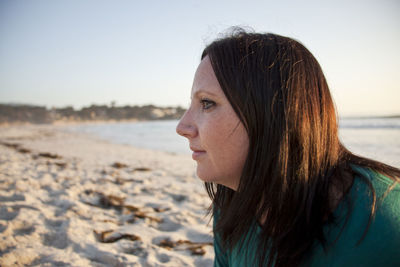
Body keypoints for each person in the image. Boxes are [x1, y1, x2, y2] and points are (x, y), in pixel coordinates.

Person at [176, 29, 400, 267]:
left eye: (207, 103)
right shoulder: (232, 206)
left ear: (274, 115)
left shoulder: (383, 223)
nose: (182, 127)